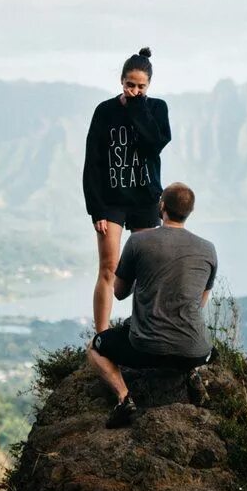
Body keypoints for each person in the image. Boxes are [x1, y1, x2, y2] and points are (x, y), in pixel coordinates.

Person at [87, 182, 216, 427]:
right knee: (188, 341)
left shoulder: (139, 242)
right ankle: (189, 372)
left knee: (94, 347)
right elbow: (199, 303)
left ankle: (124, 399)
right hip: (197, 352)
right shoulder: (209, 250)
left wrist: (145, 278)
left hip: (147, 349)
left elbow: (119, 292)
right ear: (190, 212)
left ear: (162, 206)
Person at [82, 47, 172, 333]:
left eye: (140, 86)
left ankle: (143, 328)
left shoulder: (156, 108)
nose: (134, 90)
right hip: (110, 202)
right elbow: (92, 161)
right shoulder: (105, 111)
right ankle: (101, 334)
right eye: (129, 85)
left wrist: (137, 108)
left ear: (149, 85)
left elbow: (154, 144)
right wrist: (95, 208)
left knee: (145, 269)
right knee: (108, 267)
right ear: (121, 81)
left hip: (144, 199)